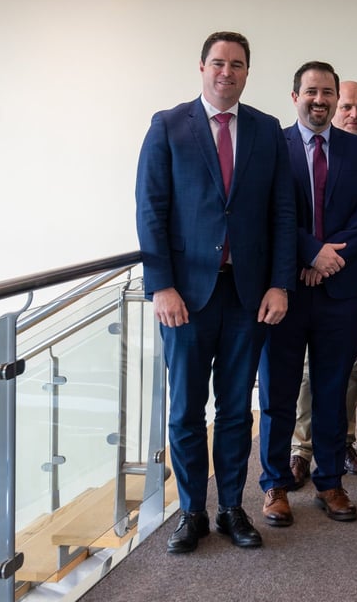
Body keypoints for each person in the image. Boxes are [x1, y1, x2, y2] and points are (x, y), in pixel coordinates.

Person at [135, 31, 296, 553]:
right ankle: (191, 512)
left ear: (248, 72)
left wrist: (279, 283)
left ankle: (230, 507)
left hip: (247, 295)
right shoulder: (168, 125)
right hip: (185, 297)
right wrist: (160, 285)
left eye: (238, 64)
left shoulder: (266, 130)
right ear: (202, 67)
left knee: (233, 409)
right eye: (219, 63)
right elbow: (150, 209)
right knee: (185, 411)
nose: (227, 72)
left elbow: (282, 213)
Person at [258, 64, 357, 526]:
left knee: (332, 393)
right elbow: (270, 212)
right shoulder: (274, 146)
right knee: (278, 393)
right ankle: (274, 484)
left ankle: (330, 482)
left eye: (327, 92)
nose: (320, 100)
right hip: (284, 291)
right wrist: (312, 254)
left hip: (341, 291)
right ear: (294, 96)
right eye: (311, 91)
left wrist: (332, 259)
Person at [289, 80, 357, 483]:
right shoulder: (288, 146)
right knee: (305, 374)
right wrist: (311, 254)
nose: (354, 115)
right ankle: (300, 448)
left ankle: (339, 444)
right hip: (300, 276)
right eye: (349, 108)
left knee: (346, 374)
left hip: (348, 280)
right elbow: (286, 210)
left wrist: (328, 259)